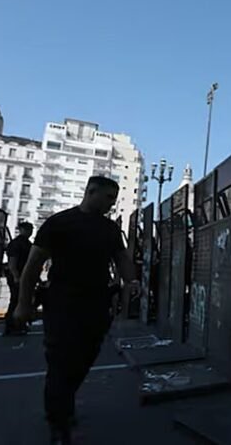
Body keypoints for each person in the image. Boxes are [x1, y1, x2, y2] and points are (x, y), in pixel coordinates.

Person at [14, 177, 137, 444]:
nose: (111, 204)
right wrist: (24, 304)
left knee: (85, 357)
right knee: (60, 360)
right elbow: (33, 265)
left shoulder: (109, 230)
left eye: (114, 200)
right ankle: (58, 420)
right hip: (62, 302)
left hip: (96, 303)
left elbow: (122, 258)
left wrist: (133, 281)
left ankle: (63, 402)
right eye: (107, 198)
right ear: (90, 192)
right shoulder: (59, 223)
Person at [3, 222, 34, 336]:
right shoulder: (17, 244)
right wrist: (16, 277)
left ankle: (19, 324)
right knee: (16, 300)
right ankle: (11, 325)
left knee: (22, 300)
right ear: (21, 230)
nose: (30, 232)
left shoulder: (27, 244)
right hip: (18, 276)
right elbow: (12, 262)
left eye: (31, 229)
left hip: (24, 276)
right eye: (28, 229)